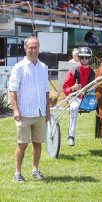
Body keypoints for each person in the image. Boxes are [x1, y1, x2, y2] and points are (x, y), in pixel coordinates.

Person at [8, 36, 50, 182]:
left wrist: (47, 110)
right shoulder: (18, 67)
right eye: (30, 47)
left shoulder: (43, 67)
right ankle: (17, 174)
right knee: (22, 144)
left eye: (35, 47)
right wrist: (15, 110)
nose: (33, 50)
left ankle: (35, 170)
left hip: (39, 112)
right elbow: (12, 90)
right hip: (24, 112)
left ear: (39, 48)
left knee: (37, 143)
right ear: (25, 49)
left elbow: (46, 90)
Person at [63, 47, 96, 146]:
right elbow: (65, 88)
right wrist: (73, 88)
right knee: (74, 107)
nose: (84, 60)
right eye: (82, 58)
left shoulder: (93, 72)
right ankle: (71, 136)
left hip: (89, 98)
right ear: (79, 58)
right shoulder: (73, 71)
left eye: (86, 58)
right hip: (76, 97)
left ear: (89, 59)